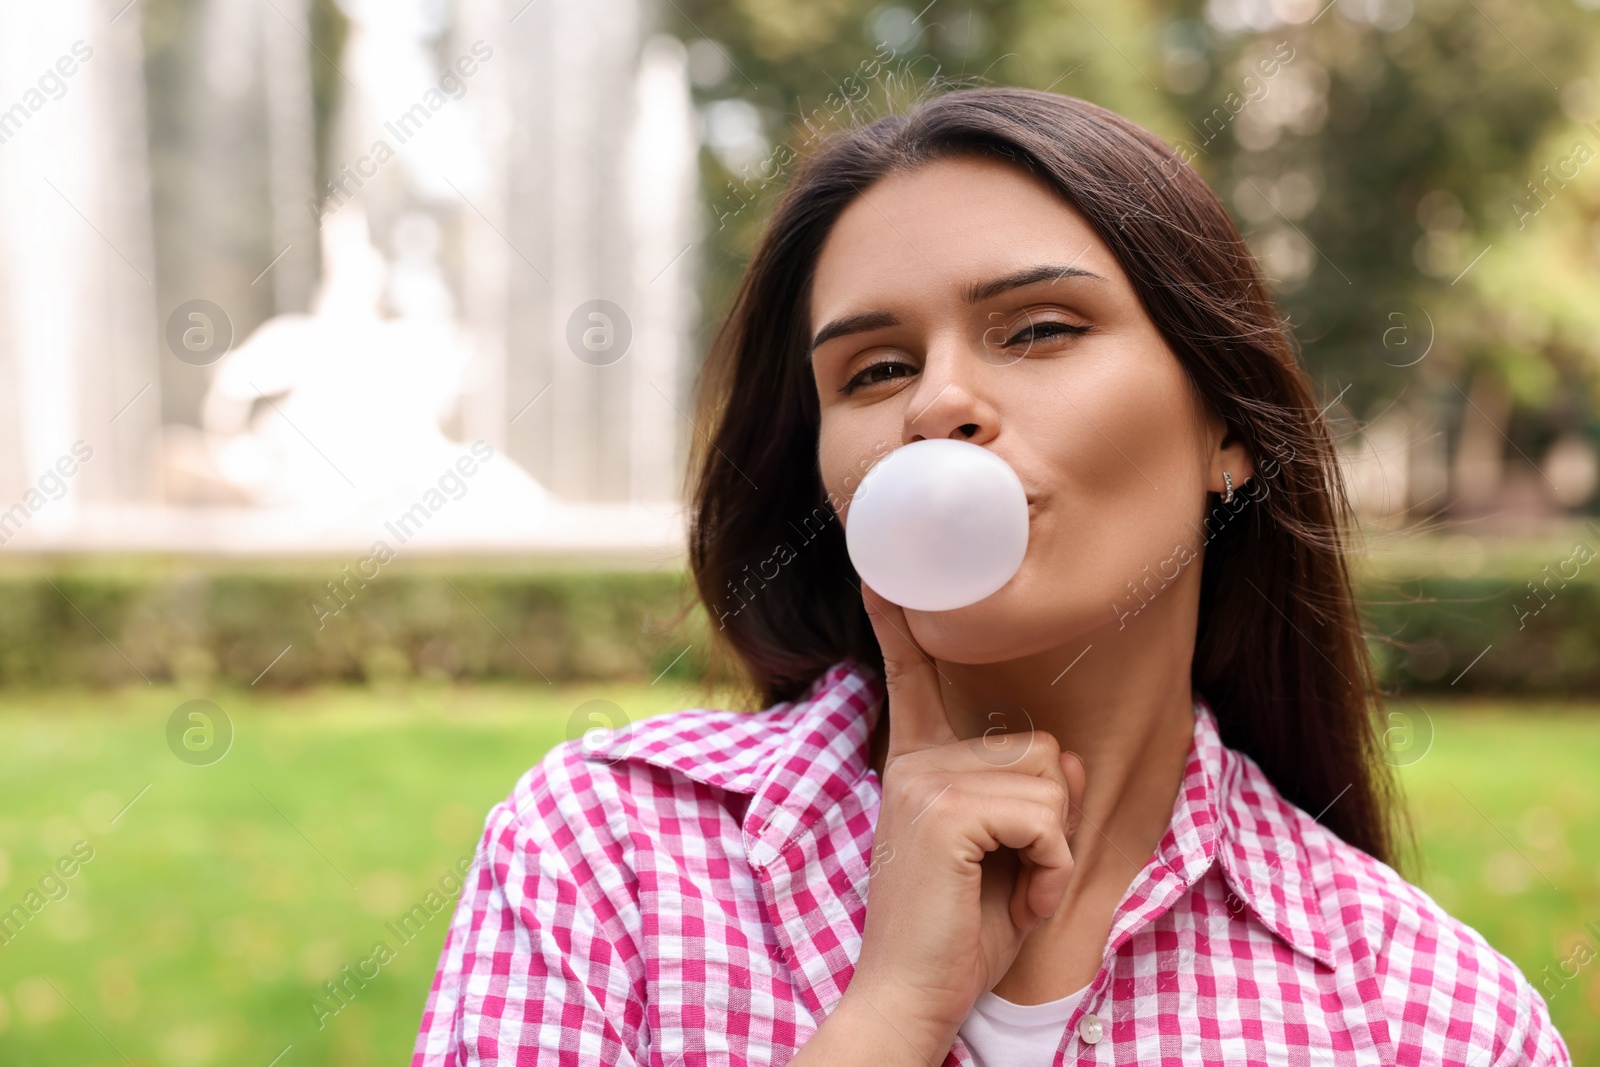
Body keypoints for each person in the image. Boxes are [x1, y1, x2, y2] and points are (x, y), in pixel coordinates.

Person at [412, 87, 1570, 1066]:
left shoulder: (1431, 1015)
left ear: (1227, 425)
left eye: (1038, 330)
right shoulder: (603, 853)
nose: (934, 404)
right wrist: (887, 1016)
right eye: (873, 370)